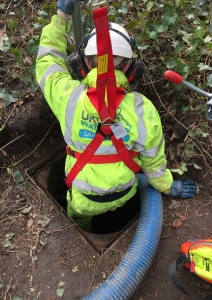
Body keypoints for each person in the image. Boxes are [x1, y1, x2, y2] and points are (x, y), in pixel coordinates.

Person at [35, 0, 198, 232]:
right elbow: (153, 164)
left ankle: (81, 227)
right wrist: (169, 187)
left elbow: (47, 62)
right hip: (125, 193)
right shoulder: (143, 109)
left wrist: (61, 16)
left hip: (84, 202)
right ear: (131, 68)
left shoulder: (67, 97)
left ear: (85, 62)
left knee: (79, 220)